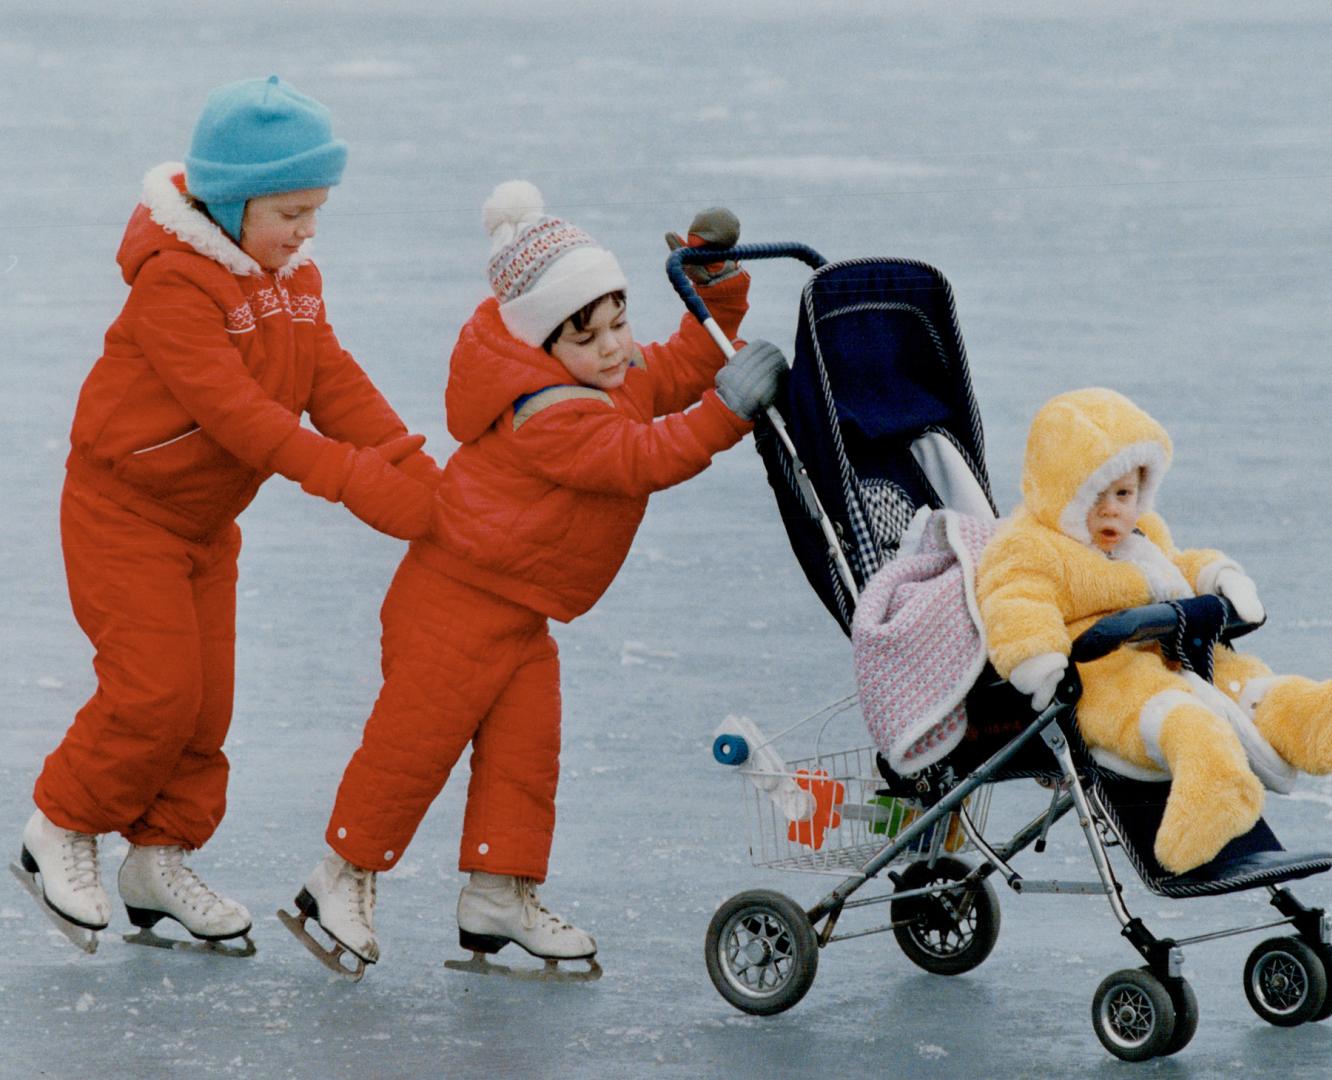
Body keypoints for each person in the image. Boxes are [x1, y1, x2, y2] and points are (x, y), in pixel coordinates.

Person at [284, 181, 786, 975]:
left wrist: (713, 288)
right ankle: (339, 880)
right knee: (409, 752)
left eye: (621, 323)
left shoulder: (605, 378)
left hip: (519, 613)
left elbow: (681, 363)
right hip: (453, 603)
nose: (618, 348)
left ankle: (498, 892)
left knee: (526, 753)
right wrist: (727, 411)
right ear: (541, 347)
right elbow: (642, 459)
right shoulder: (549, 415)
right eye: (592, 339)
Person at [18, 75, 440, 950]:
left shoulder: (293, 278)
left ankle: (157, 861)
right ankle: (59, 825)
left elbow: (330, 379)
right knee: (154, 693)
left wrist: (409, 466)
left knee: (206, 708)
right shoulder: (175, 285)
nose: (307, 229)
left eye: (315, 209)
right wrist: (360, 484)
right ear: (233, 202)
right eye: (291, 210)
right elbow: (246, 420)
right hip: (122, 515)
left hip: (204, 525)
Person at [975, 387, 1332, 874]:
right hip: (1103, 673)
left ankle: (1309, 718)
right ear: (1062, 492)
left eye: (1125, 494)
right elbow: (1015, 599)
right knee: (1181, 716)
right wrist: (1037, 657)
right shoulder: (1030, 546)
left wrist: (1218, 576)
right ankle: (1217, 791)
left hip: (1177, 648)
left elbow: (1177, 565)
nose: (1114, 510)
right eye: (1097, 496)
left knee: (1240, 680)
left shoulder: (1145, 535)